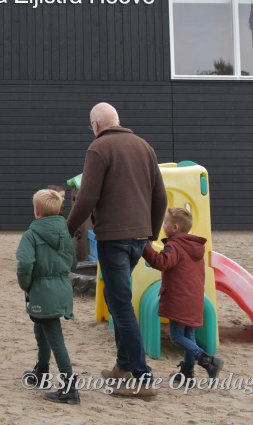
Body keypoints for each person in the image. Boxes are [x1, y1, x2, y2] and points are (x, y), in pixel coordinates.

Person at [65, 102, 166, 398]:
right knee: (114, 298)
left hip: (113, 240)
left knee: (121, 306)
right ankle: (123, 366)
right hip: (138, 238)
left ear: (96, 125)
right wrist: (151, 234)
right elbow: (160, 196)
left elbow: (87, 197)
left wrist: (66, 230)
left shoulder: (99, 148)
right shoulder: (145, 147)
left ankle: (142, 377)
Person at [141, 207, 223, 386]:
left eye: (165, 223)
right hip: (195, 298)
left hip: (180, 299)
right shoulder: (195, 247)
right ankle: (187, 373)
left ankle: (207, 360)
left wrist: (145, 247)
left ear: (175, 227)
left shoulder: (174, 246)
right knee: (189, 334)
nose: (163, 226)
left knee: (176, 336)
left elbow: (162, 262)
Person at [18, 188, 79, 404]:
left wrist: (26, 284)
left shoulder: (31, 234)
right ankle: (42, 371)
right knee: (41, 325)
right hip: (62, 288)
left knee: (54, 336)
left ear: (36, 210)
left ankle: (69, 387)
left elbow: (25, 264)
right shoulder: (65, 232)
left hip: (43, 290)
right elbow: (73, 262)